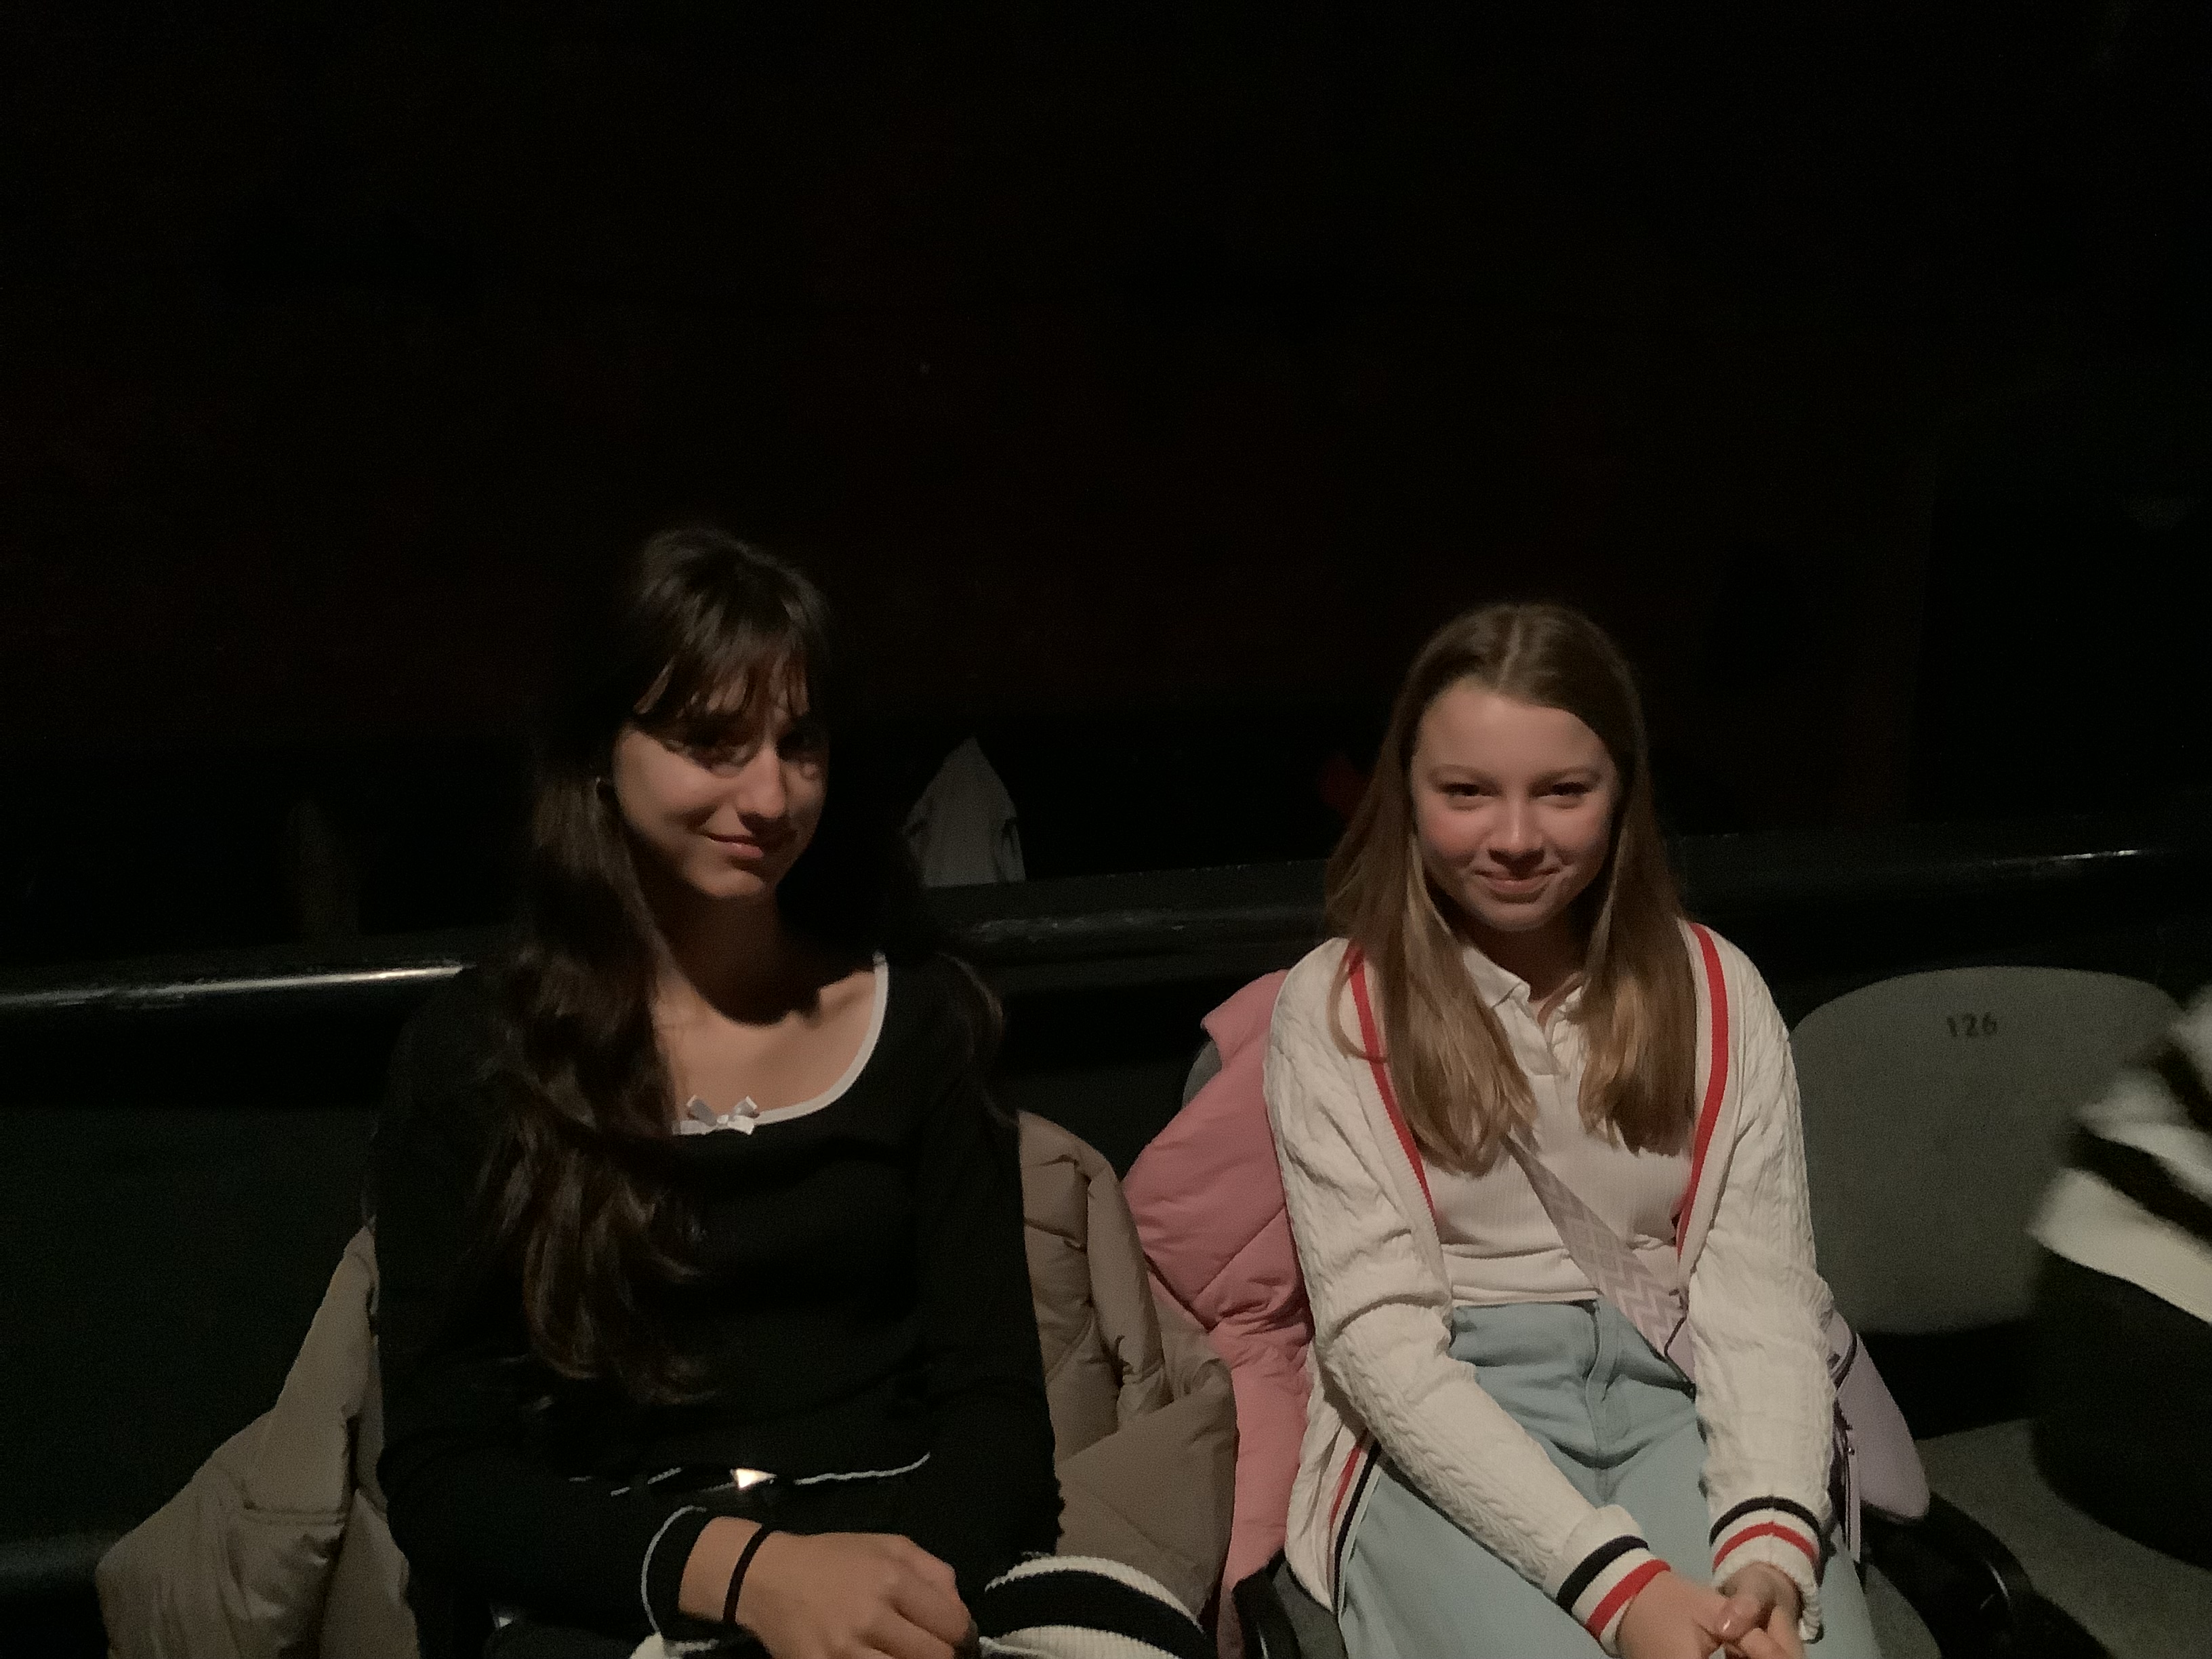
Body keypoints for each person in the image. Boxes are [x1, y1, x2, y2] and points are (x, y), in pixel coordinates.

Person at [373, 528, 1197, 1659]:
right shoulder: (482, 1052)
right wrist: (752, 1581)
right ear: (600, 752)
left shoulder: (918, 1019)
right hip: (629, 1590)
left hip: (906, 1568)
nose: (769, 794)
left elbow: (995, 1411)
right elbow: (445, 1476)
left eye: (798, 743)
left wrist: (889, 1604)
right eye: (712, 742)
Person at [1263, 603, 1881, 1659]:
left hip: (1678, 1385)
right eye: (1466, 792)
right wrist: (1622, 1589)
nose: (1514, 839)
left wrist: (1769, 1545)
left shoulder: (1716, 987)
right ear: (1405, 796)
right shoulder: (1337, 1006)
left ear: (1623, 794)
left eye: (1563, 791)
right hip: (1447, 1411)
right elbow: (1378, 1343)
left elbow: (1761, 1296)